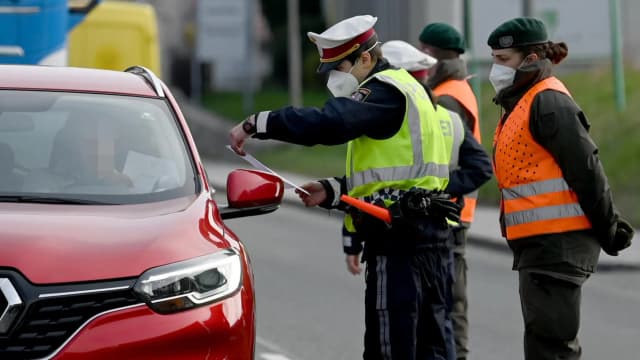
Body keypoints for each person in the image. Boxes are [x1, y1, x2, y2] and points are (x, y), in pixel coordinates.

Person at [230, 14, 460, 360]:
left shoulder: (385, 92)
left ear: (365, 58)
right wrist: (334, 191)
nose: (333, 79)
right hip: (427, 237)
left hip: (400, 245)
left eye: (338, 68)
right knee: (432, 347)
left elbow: (328, 124)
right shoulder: (413, 90)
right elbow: (399, 178)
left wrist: (259, 122)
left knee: (391, 349)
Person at [487, 17, 634, 359]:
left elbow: (587, 170)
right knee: (544, 345)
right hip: (540, 246)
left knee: (551, 349)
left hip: (557, 244)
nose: (497, 70)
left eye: (503, 60)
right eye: (494, 59)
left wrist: (609, 228)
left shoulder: (548, 102)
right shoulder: (521, 102)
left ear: (532, 59)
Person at [418, 23, 484, 360]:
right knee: (448, 296)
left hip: (449, 210)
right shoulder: (458, 87)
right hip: (458, 208)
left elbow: (444, 161)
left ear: (430, 53)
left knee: (448, 299)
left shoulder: (447, 97)